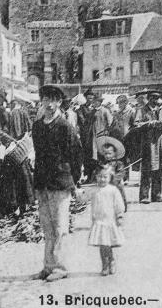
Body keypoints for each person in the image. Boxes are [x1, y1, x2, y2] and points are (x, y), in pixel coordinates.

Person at [32, 85, 82, 282]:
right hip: (42, 182)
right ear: (42, 101)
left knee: (60, 227)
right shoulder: (37, 126)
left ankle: (60, 267)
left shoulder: (65, 126)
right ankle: (48, 266)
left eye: (55, 100)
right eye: (46, 99)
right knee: (47, 227)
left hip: (60, 183)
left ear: (60, 103)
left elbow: (76, 155)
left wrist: (74, 182)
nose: (50, 104)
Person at [132, 90, 162, 204]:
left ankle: (157, 195)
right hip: (148, 144)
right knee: (147, 170)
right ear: (149, 99)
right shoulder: (142, 110)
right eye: (153, 98)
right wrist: (149, 124)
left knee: (159, 170)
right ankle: (144, 196)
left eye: (157, 98)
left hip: (161, 143)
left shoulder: (161, 110)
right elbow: (136, 125)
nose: (156, 101)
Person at [86, 166, 125, 276]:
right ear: (96, 177)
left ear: (110, 177)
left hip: (110, 220)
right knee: (102, 244)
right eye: (99, 177)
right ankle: (104, 265)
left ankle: (111, 261)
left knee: (107, 244)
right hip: (98, 221)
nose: (102, 179)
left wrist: (119, 216)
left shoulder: (113, 190)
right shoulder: (94, 190)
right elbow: (84, 198)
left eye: (105, 177)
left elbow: (119, 204)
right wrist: (77, 192)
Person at [95, 136, 127, 211]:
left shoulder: (118, 163)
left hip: (115, 184)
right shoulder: (102, 163)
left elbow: (121, 173)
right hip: (104, 184)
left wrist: (114, 176)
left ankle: (121, 206)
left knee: (119, 192)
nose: (107, 156)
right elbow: (97, 172)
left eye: (109, 153)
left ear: (114, 153)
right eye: (105, 154)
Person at [111, 95, 136, 184]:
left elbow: (134, 125)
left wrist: (130, 133)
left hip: (127, 138)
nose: (119, 104)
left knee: (126, 159)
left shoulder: (131, 112)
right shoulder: (116, 113)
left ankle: (126, 178)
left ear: (125, 102)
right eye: (118, 103)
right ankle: (119, 177)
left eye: (121, 102)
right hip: (118, 138)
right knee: (118, 158)